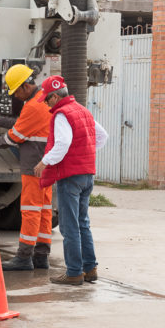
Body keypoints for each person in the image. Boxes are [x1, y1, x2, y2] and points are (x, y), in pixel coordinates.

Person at [33, 76, 108, 285]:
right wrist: (83, 154)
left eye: (47, 100)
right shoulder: (82, 110)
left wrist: (44, 162)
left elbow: (63, 143)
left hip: (70, 177)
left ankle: (74, 272)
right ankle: (90, 269)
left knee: (69, 226)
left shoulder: (61, 114)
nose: (46, 104)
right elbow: (102, 137)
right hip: (87, 176)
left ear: (55, 96)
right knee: (83, 223)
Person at [0, 64, 53, 271]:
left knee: (30, 210)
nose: (16, 97)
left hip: (33, 166)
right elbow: (23, 123)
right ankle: (41, 256)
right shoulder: (44, 99)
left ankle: (23, 257)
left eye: (16, 92)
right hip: (48, 165)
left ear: (24, 86)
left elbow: (15, 136)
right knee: (44, 210)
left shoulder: (33, 105)